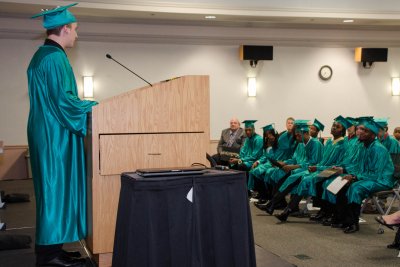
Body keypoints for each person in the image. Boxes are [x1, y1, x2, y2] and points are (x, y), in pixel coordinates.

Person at [28, 3, 98, 267]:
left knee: (53, 192)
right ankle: (48, 256)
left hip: (48, 130)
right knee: (54, 191)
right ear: (65, 28)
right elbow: (64, 102)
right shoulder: (54, 58)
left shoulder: (42, 56)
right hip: (53, 135)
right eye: (76, 30)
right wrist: (95, 106)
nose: (77, 36)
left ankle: (54, 247)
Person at [274, 116, 348, 222]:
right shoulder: (330, 143)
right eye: (333, 125)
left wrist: (317, 167)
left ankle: (287, 211)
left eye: (338, 127)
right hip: (323, 169)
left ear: (343, 131)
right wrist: (317, 167)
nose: (334, 128)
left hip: (333, 170)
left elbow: (338, 165)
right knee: (304, 177)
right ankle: (320, 210)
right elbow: (322, 161)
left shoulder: (343, 145)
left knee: (306, 179)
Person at [334, 117, 395, 234]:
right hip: (368, 177)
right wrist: (351, 175)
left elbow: (376, 173)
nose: (359, 132)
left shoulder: (378, 149)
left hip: (382, 180)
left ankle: (353, 223)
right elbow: (359, 168)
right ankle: (342, 219)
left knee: (356, 187)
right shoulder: (363, 146)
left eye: (364, 130)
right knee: (343, 183)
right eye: (359, 129)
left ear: (373, 134)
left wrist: (355, 177)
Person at [263, 120, 324, 215]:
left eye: (299, 135)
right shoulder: (300, 144)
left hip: (311, 170)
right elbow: (294, 159)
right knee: (281, 173)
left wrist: (293, 167)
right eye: (296, 135)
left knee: (291, 177)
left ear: (306, 133)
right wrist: (284, 163)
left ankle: (273, 204)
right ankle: (273, 204)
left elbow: (314, 163)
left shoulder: (316, 144)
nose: (296, 138)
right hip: (298, 169)